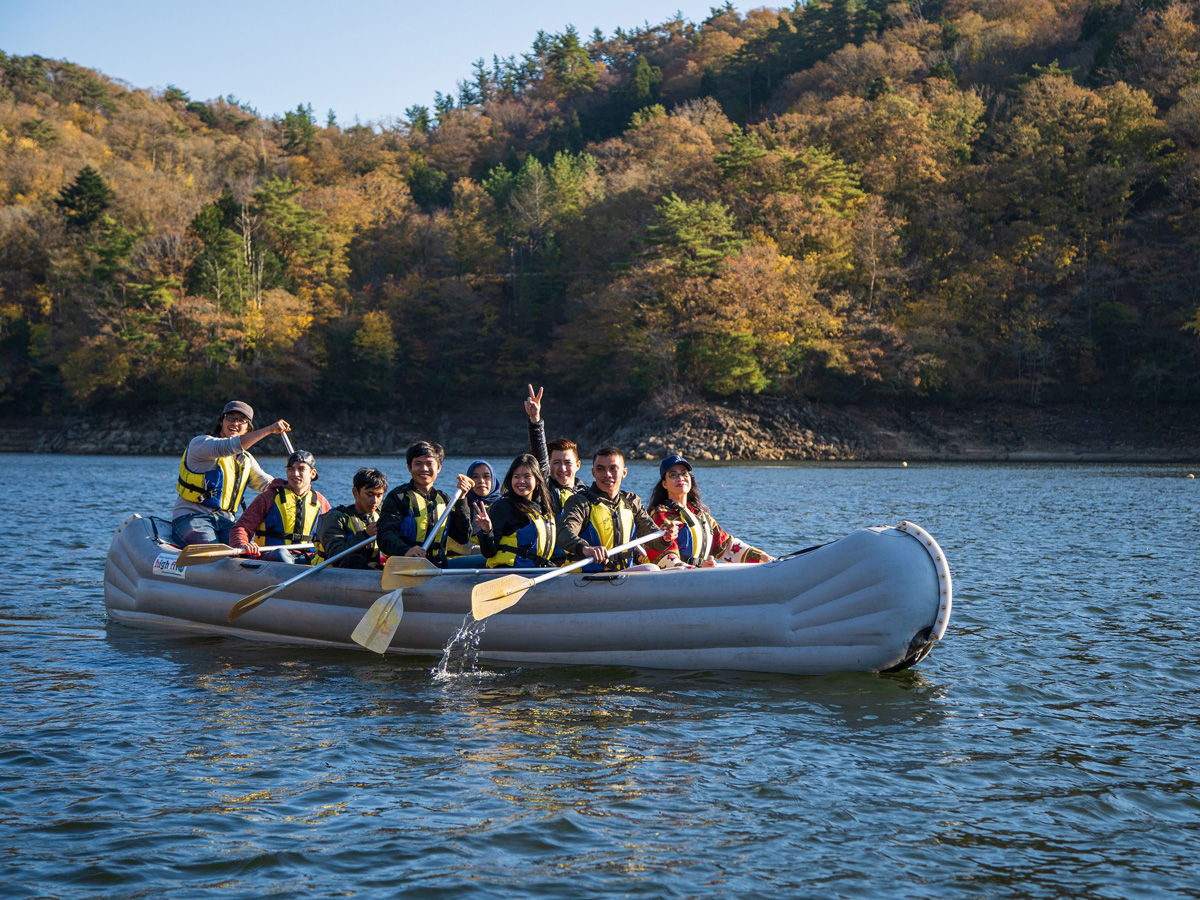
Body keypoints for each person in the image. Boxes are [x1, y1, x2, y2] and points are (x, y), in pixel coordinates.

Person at [172, 400, 291, 547]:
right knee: (213, 551)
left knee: (243, 551)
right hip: (192, 517)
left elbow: (266, 483)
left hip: (226, 522)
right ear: (221, 421)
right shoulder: (201, 444)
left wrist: (295, 485)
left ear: (248, 428)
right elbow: (229, 446)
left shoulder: (245, 459)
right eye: (230, 418)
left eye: (242, 420)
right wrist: (269, 430)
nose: (235, 423)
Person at [556, 446, 678, 572]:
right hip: (588, 577)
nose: (607, 474)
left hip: (622, 575)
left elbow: (654, 540)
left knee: (654, 568)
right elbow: (564, 534)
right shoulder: (579, 502)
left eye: (613, 469)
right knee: (651, 569)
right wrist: (586, 549)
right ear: (593, 473)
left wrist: (665, 537)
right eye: (600, 469)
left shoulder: (631, 501)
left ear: (624, 472)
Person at [645, 455, 774, 568]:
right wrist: (698, 566)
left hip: (697, 574)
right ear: (664, 484)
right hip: (674, 577)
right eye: (673, 475)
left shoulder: (701, 516)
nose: (680, 478)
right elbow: (664, 558)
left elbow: (727, 546)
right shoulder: (660, 515)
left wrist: (762, 557)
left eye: (684, 473)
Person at [376, 441, 476, 567]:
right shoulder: (398, 497)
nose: (424, 469)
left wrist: (461, 500)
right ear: (409, 467)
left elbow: (462, 537)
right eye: (418, 464)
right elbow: (385, 536)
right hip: (406, 566)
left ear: (438, 468)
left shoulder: (444, 499)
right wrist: (405, 550)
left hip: (438, 566)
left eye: (429, 464)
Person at [229, 450, 331, 564]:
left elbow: (332, 533)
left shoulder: (321, 501)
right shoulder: (268, 497)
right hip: (273, 557)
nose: (295, 474)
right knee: (281, 553)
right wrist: (242, 545)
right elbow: (241, 528)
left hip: (308, 558)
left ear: (312, 473)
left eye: (301, 469)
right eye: (290, 469)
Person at [473, 453, 558, 568]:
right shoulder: (503, 507)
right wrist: (487, 531)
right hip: (509, 572)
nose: (521, 481)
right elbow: (489, 553)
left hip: (536, 571)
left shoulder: (542, 508)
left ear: (537, 480)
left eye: (527, 476)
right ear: (511, 479)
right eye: (516, 476)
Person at [524, 384, 585, 515]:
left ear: (578, 465)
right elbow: (539, 455)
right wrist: (535, 419)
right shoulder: (545, 490)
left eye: (568, 463)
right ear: (548, 465)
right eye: (556, 463)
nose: (562, 469)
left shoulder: (587, 495)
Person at [314, 467, 388, 569]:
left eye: (379, 495)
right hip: (336, 572)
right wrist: (366, 535)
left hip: (369, 569)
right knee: (354, 560)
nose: (375, 501)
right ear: (355, 492)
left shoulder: (380, 516)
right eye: (369, 494)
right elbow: (334, 555)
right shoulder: (336, 518)